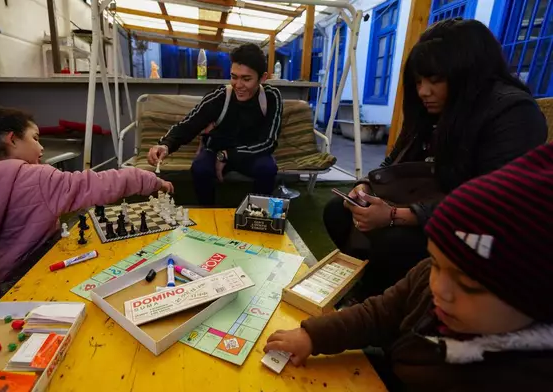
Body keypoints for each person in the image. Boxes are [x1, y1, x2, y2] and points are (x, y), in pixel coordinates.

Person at [265, 142, 553, 391]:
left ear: (536, 298)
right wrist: (313, 335)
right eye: (437, 263)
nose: (438, 287)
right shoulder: (430, 277)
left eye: (469, 285)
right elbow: (380, 313)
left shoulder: (523, 379)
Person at [323, 19, 547, 298]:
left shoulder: (513, 113)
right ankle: (369, 291)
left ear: (469, 72)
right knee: (337, 210)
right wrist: (365, 186)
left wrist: (394, 216)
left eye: (435, 80)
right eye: (418, 82)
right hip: (427, 204)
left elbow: (493, 200)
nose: (423, 92)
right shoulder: (432, 111)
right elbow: (395, 161)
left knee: (394, 241)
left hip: (479, 227)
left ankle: (388, 310)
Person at [0, 107, 173, 299]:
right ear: (12, 139)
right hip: (30, 277)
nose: (41, 148)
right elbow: (97, 184)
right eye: (35, 138)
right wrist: (150, 180)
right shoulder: (34, 178)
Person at [147, 43, 283, 205]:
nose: (238, 85)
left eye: (246, 79)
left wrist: (227, 155)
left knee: (267, 168)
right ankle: (208, 212)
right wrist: (165, 145)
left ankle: (258, 214)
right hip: (215, 149)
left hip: (250, 154)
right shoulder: (220, 96)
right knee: (200, 169)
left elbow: (269, 142)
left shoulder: (271, 97)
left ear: (263, 78)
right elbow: (189, 124)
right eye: (234, 77)